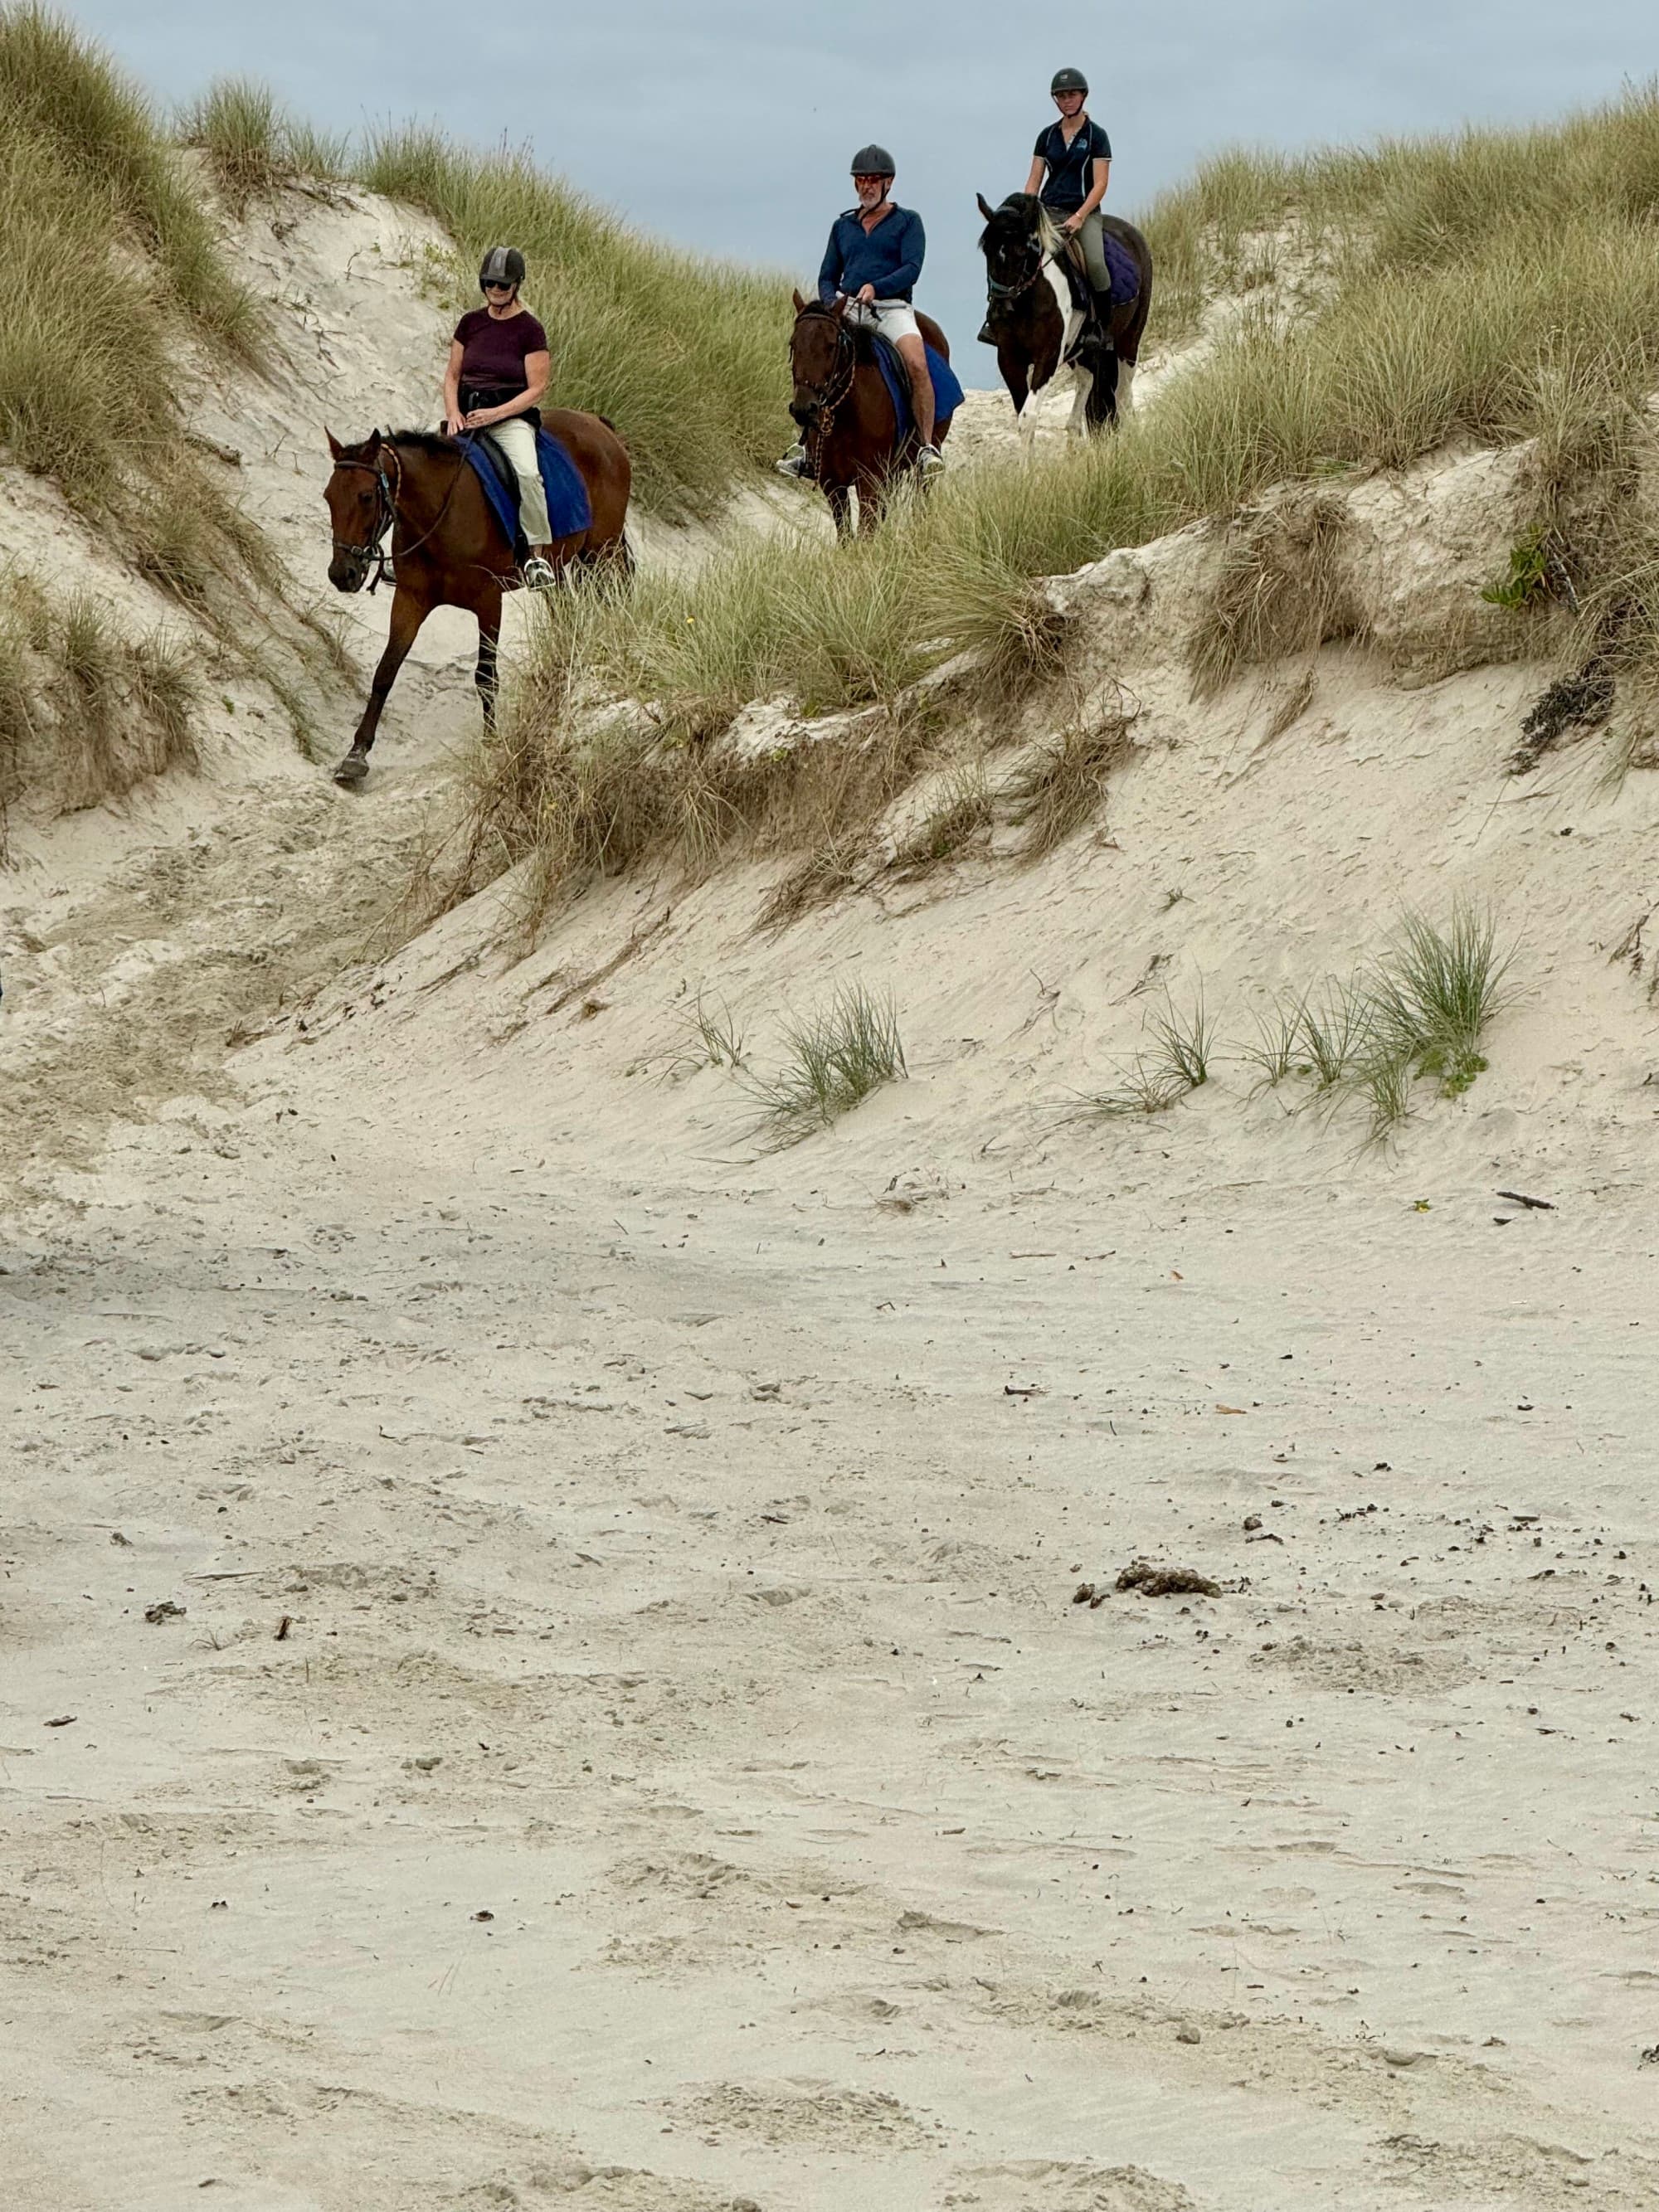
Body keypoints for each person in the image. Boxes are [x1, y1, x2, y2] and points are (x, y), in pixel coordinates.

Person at [778, 146, 943, 479]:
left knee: (916, 362)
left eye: (873, 180)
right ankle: (805, 449)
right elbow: (827, 275)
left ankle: (925, 447)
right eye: (861, 180)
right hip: (848, 309)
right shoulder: (842, 227)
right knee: (818, 361)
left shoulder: (909, 222)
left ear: (889, 183)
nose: (866, 186)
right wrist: (831, 305)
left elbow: (912, 268)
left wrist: (876, 287)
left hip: (892, 307)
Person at [444, 246, 557, 589]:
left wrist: (496, 414)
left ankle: (536, 555)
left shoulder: (529, 330)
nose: (496, 290)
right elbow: (451, 376)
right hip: (466, 416)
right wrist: (453, 415)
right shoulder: (470, 324)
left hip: (509, 418)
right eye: (490, 283)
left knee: (527, 473)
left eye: (503, 285)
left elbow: (537, 388)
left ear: (516, 286)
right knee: (425, 469)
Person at [1024, 67, 1115, 332]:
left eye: (1072, 94)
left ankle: (1102, 326)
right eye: (1061, 96)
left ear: (1083, 96)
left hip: (1083, 212)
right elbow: (1034, 180)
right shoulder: (1047, 136)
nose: (1067, 100)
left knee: (1096, 262)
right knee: (1017, 254)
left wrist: (1080, 216)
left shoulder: (1096, 136)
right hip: (1048, 210)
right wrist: (1028, 208)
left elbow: (1101, 183)